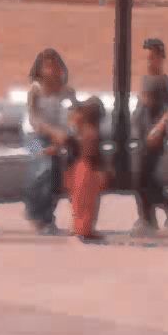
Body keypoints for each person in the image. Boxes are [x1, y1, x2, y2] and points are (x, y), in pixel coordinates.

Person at [129, 37, 168, 237]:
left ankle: (150, 218)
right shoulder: (144, 79)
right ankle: (167, 208)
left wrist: (158, 129)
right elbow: (141, 107)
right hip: (143, 136)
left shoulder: (162, 81)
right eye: (148, 56)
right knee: (145, 179)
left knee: (141, 179)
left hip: (156, 138)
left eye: (154, 56)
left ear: (161, 58)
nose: (150, 60)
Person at [20, 48, 74, 235]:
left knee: (60, 172)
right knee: (44, 166)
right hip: (33, 136)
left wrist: (60, 141)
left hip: (58, 138)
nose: (50, 68)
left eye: (54, 64)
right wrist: (54, 134)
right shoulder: (35, 89)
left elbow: (72, 117)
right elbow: (34, 121)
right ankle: (38, 214)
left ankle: (46, 215)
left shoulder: (66, 91)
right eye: (46, 65)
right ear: (40, 68)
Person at [64, 97, 111, 244]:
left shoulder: (77, 128)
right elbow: (94, 154)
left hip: (73, 169)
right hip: (87, 169)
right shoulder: (92, 132)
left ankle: (77, 228)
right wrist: (102, 171)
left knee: (77, 202)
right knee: (88, 203)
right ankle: (85, 231)